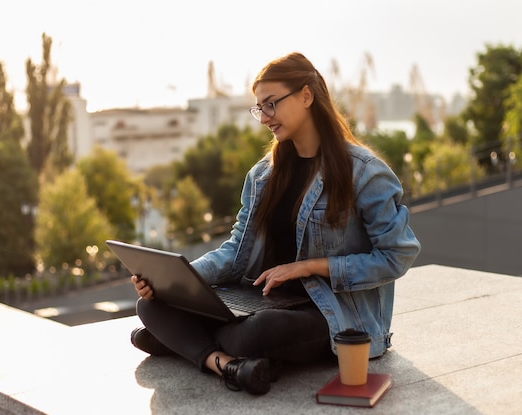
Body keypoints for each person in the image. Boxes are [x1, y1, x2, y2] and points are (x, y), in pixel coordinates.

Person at [130, 52, 420, 395]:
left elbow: (396, 256)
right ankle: (226, 363)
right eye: (259, 108)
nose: (265, 117)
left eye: (271, 105)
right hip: (264, 298)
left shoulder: (364, 172)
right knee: (151, 305)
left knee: (258, 331)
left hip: (330, 313)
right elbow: (236, 250)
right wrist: (178, 280)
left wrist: (308, 267)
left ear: (307, 96)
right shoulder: (263, 175)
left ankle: (191, 344)